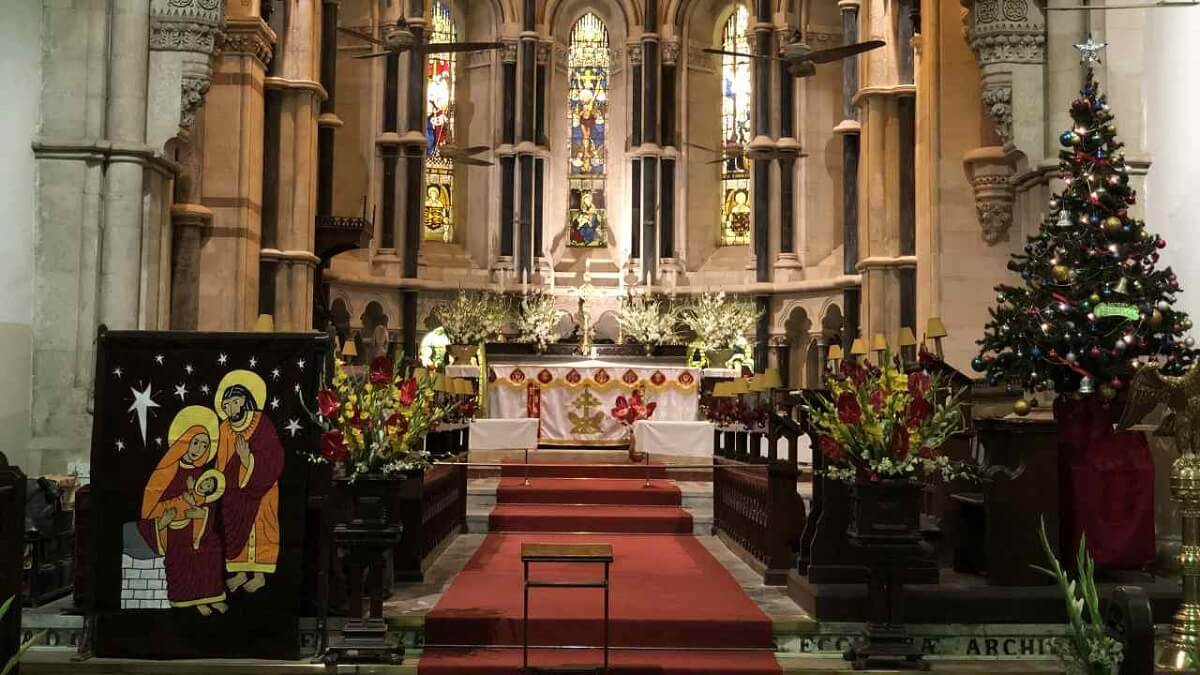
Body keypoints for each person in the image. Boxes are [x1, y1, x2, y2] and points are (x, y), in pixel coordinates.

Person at [137, 406, 228, 615]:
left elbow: (208, 502)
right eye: (196, 442)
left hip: (197, 526)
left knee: (212, 546)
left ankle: (208, 597)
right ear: (185, 441)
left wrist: (201, 513)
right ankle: (190, 599)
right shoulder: (165, 469)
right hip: (170, 527)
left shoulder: (201, 473)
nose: (199, 448)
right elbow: (150, 508)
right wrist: (164, 520)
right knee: (184, 550)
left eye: (204, 445)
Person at [214, 370, 285, 595]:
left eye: (234, 402)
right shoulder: (224, 428)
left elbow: (275, 456)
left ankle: (259, 575)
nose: (230, 408)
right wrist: (219, 482)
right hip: (235, 490)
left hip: (261, 487)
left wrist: (247, 460)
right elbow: (222, 460)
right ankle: (241, 571)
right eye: (226, 405)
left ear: (243, 400)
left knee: (260, 526)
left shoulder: (260, 422)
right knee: (234, 527)